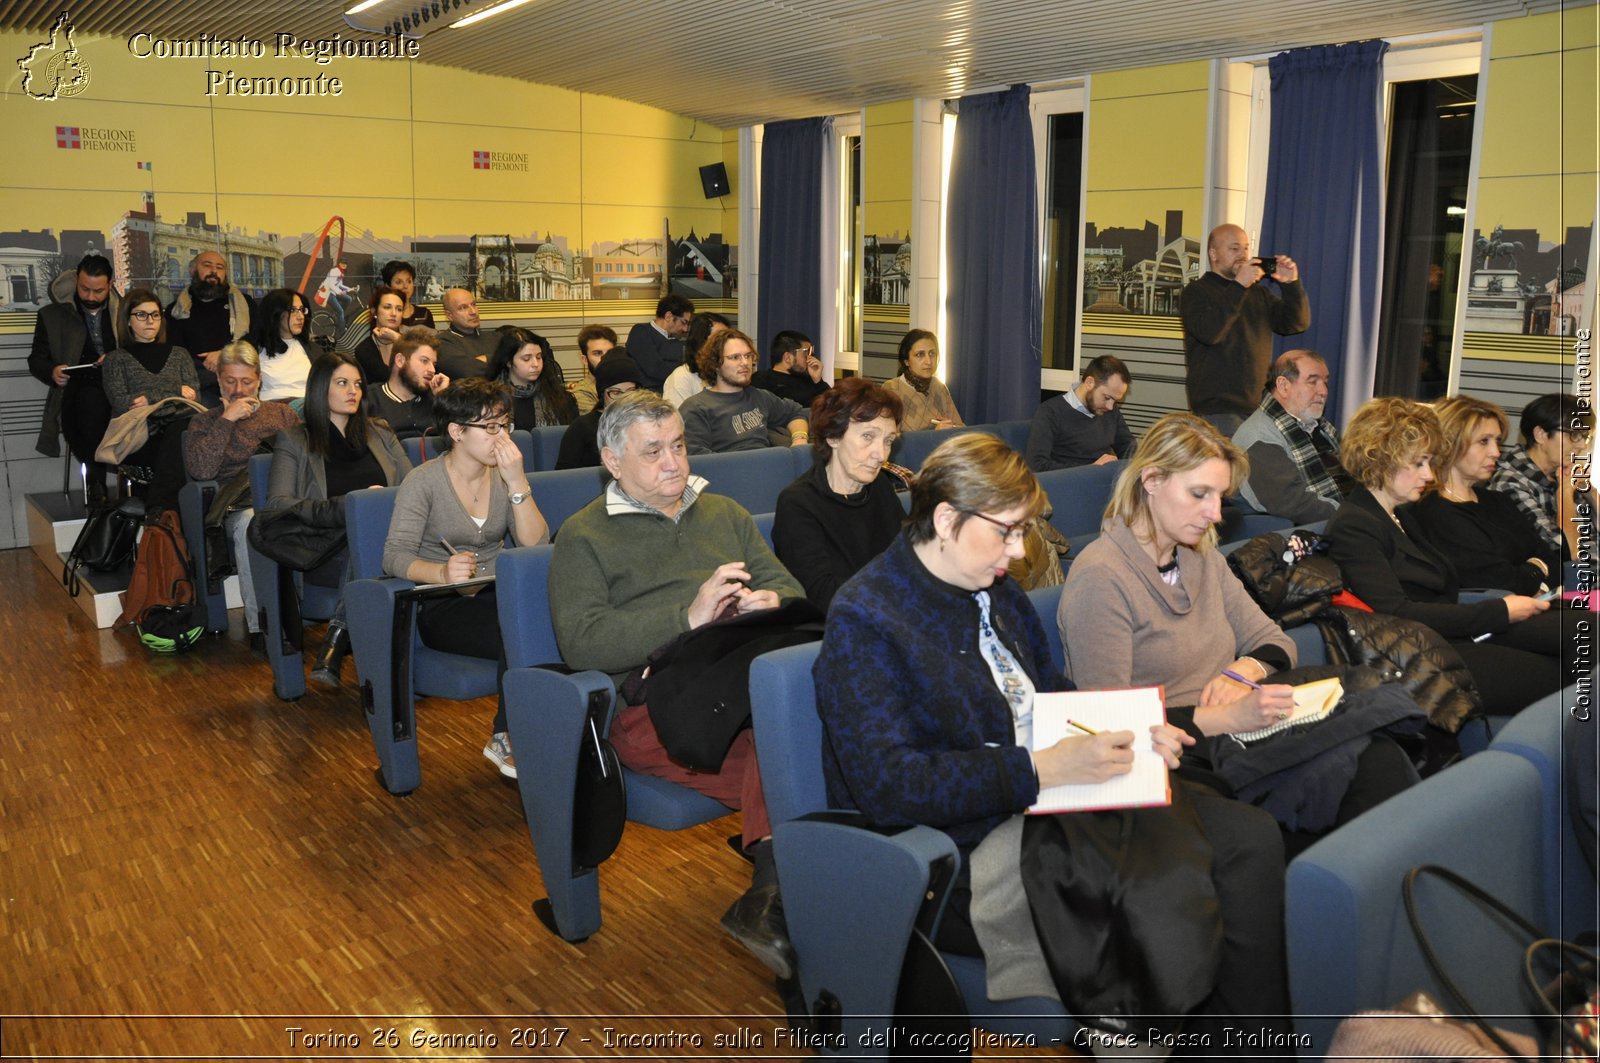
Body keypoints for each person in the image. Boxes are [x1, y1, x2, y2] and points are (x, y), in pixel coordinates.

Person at [814, 433, 1291, 1044]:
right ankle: (1163, 1040)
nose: (1017, 554)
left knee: (1250, 840)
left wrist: (1133, 729)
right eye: (1007, 531)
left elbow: (1054, 692)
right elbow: (889, 786)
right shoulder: (868, 618)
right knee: (1167, 882)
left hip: (1055, 790)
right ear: (945, 519)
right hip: (974, 830)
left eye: (1023, 533)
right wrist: (1041, 769)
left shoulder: (995, 590)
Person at [1060, 412, 1417, 843]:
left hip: (1239, 730)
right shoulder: (1102, 576)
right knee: (1358, 770)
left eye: (1219, 496)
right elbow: (1109, 721)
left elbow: (1274, 640)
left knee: (1378, 753)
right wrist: (1226, 715)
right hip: (1183, 752)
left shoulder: (1199, 557)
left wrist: (1243, 670)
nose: (1214, 513)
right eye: (1199, 494)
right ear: (1151, 480)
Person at [549, 390, 805, 977]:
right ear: (613, 461)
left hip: (740, 687)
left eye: (680, 445)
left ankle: (775, 896)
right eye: (654, 451)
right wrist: (687, 619)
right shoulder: (583, 537)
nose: (675, 463)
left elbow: (789, 587)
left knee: (809, 738)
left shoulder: (725, 514)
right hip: (653, 707)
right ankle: (785, 899)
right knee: (797, 757)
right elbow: (582, 642)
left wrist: (770, 601)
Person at [1326, 397, 1568, 716]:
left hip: (1453, 633)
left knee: (1576, 659)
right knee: (1563, 677)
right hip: (1418, 654)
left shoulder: (1400, 515)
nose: (1429, 474)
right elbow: (1395, 611)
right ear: (1381, 460)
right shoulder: (1355, 525)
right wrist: (1497, 612)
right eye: (1419, 463)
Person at [382, 378, 550, 779]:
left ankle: (545, 734)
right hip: (443, 603)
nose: (502, 436)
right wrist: (440, 571)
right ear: (457, 432)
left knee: (541, 617)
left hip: (496, 592)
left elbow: (536, 542)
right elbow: (393, 556)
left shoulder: (503, 477)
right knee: (521, 628)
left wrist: (517, 483)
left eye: (505, 425)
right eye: (490, 427)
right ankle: (507, 735)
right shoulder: (423, 481)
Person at [266, 351, 411, 687]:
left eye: (358, 384)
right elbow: (278, 504)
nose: (353, 391)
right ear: (320, 389)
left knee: (372, 545)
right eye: (342, 383)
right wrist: (351, 505)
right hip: (325, 548)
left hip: (389, 540)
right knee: (365, 549)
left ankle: (337, 636)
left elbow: (412, 486)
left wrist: (377, 505)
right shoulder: (295, 440)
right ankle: (384, 675)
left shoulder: (380, 432)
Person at [183, 340, 302, 642]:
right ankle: (262, 627)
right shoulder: (203, 422)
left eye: (246, 382)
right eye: (230, 381)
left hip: (284, 498)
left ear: (259, 380)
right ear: (219, 380)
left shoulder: (282, 415)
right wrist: (226, 420)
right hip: (235, 509)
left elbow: (307, 458)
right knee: (252, 523)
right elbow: (202, 470)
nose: (238, 390)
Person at [772, 378, 904, 611]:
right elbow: (823, 595)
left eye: (888, 440)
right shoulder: (798, 503)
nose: (881, 454)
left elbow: (910, 556)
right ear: (833, 436)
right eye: (868, 436)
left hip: (888, 614)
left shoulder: (880, 486)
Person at [1414, 395, 1563, 596]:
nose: (1496, 452)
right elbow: (1496, 581)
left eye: (1497, 441)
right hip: (1492, 621)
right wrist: (1536, 568)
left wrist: (1536, 583)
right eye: (1483, 441)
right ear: (1449, 444)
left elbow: (1554, 561)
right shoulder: (1435, 510)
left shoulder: (1498, 500)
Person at [1180, 224, 1308, 436]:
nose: (1243, 255)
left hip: (1258, 406)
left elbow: (1295, 323)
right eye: (1234, 249)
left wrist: (1291, 284)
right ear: (1214, 254)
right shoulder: (1196, 292)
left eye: (1246, 249)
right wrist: (1239, 285)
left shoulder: (1258, 294)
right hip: (1217, 411)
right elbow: (1210, 333)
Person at [28, 253, 120, 502]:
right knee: (90, 405)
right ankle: (97, 482)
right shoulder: (51, 315)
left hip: (122, 385)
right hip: (76, 388)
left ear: (110, 285)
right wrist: (52, 371)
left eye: (98, 291)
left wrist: (116, 358)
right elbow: (36, 360)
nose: (90, 297)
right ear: (76, 282)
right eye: (84, 289)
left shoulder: (126, 311)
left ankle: (141, 487)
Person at [1232, 350, 1355, 522]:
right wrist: (1354, 516)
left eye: (1325, 383)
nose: (1324, 391)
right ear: (1283, 386)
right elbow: (1291, 502)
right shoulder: (1258, 437)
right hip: (1303, 533)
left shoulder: (1316, 426)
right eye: (1313, 382)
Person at [1489, 392, 1594, 563]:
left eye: (1585, 437)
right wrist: (1565, 493)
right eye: (1574, 435)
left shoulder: (1561, 474)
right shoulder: (1510, 482)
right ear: (1541, 435)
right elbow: (1568, 553)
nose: (1582, 445)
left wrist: (1589, 491)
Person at [679, 329, 809, 454]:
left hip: (768, 466)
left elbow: (795, 412)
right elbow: (697, 458)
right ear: (715, 364)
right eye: (735, 357)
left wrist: (800, 438)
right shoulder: (695, 408)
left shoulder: (759, 396)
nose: (745, 362)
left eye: (748, 356)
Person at [164, 249, 255, 408]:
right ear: (193, 270)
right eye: (207, 265)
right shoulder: (176, 310)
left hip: (238, 376)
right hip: (198, 382)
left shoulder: (244, 304)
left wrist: (224, 355)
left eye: (220, 267)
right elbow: (175, 353)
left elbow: (256, 338)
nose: (214, 271)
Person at [1024, 354, 1134, 471]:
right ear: (1089, 383)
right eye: (1107, 397)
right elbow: (1036, 465)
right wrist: (1091, 469)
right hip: (1067, 484)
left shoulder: (1110, 411)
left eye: (1115, 401)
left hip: (1102, 480)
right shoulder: (1050, 412)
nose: (1110, 406)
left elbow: (1128, 449)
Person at [101, 288, 199, 417]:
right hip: (138, 429)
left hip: (178, 423)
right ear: (128, 320)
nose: (150, 321)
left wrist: (149, 399)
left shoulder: (180, 354)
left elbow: (194, 398)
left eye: (155, 314)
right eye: (141, 315)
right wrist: (175, 391)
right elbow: (121, 404)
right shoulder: (115, 359)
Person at [555, 350, 644, 470]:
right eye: (616, 392)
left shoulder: (646, 424)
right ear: (602, 394)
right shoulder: (582, 427)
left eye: (630, 391)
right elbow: (564, 477)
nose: (624, 399)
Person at [363, 326, 448, 440]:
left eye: (434, 364)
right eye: (424, 361)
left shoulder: (434, 401)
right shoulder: (369, 399)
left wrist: (443, 399)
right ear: (400, 360)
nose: (432, 370)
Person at [487, 327, 575, 429]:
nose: (535, 364)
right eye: (526, 359)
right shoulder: (490, 398)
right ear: (509, 362)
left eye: (538, 357)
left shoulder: (561, 398)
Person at [882, 328, 962, 432]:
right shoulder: (892, 389)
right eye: (920, 355)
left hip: (942, 447)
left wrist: (951, 428)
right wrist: (933, 435)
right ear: (906, 361)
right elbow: (890, 438)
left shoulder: (939, 387)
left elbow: (960, 427)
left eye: (932, 354)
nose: (928, 361)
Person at [252, 289, 316, 402]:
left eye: (302, 310)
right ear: (275, 313)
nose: (301, 316)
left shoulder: (314, 350)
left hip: (308, 410)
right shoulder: (253, 350)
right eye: (293, 310)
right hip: (270, 411)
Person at [626, 293, 695, 392]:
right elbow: (654, 369)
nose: (685, 329)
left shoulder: (676, 341)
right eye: (684, 322)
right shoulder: (640, 331)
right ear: (668, 316)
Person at [663, 311, 728, 409]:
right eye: (718, 339)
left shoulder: (727, 373)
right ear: (701, 342)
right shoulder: (681, 377)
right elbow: (679, 420)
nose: (726, 344)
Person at [751, 330, 830, 409]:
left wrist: (818, 380)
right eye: (806, 354)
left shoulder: (810, 380)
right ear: (788, 357)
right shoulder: (762, 380)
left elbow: (833, 406)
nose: (810, 358)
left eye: (811, 354)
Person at [433, 288, 496, 380]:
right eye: (463, 307)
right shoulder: (440, 343)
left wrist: (482, 360)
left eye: (473, 304)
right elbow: (469, 372)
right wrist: (499, 358)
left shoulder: (495, 337)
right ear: (449, 315)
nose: (473, 312)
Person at [351, 286, 406, 385]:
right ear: (374, 311)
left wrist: (396, 338)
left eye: (399, 309)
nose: (394, 313)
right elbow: (390, 379)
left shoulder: (410, 342)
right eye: (387, 307)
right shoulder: (364, 350)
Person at [568, 324, 617, 415]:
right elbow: (604, 424)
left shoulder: (625, 385)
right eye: (597, 353)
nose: (605, 358)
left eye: (610, 353)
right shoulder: (579, 393)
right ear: (585, 360)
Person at [314, 259, 357, 338]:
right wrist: (340, 292)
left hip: (334, 292)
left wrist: (351, 289)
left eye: (345, 263)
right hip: (328, 293)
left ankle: (339, 315)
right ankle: (343, 334)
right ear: (339, 263)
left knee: (348, 299)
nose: (344, 265)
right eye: (342, 263)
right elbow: (330, 284)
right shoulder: (334, 271)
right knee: (341, 312)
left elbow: (340, 285)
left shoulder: (341, 272)